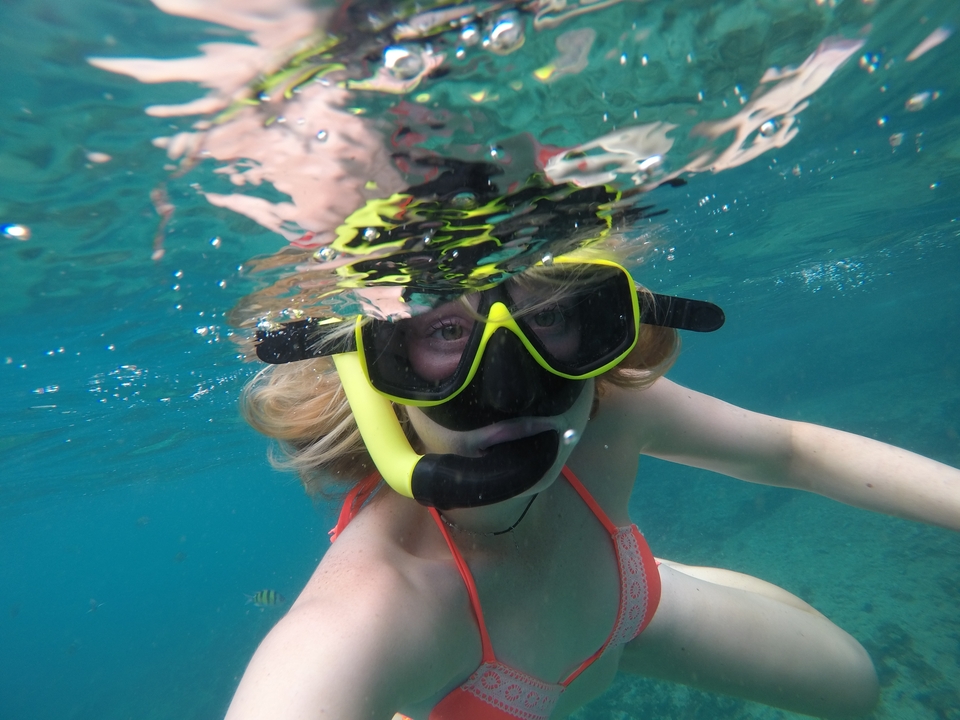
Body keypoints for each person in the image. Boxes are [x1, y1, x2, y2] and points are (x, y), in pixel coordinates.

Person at [225, 249, 960, 720]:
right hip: (504, 678)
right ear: (374, 366)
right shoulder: (372, 613)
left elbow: (793, 453)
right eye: (444, 332)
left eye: (548, 317)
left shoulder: (610, 412)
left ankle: (657, 571)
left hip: (629, 603)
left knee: (855, 688)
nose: (511, 386)